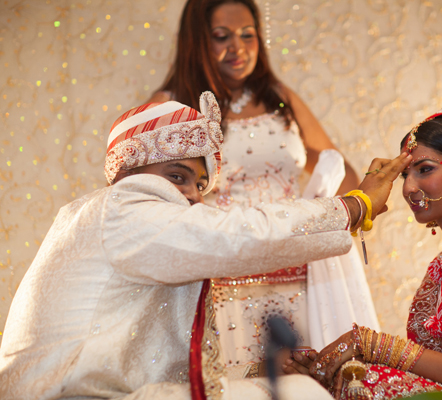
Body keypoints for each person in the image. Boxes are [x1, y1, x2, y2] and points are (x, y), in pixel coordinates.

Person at [0, 92, 410, 400]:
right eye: (177, 176)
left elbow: (159, 360)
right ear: (130, 171)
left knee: (292, 388)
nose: (194, 196)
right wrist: (354, 207)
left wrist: (259, 370)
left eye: (199, 185)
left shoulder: (133, 229)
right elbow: (238, 234)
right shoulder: (124, 207)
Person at [149, 0, 379, 366]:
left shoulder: (279, 97)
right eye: (221, 36)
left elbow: (339, 171)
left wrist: (358, 196)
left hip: (302, 281)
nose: (237, 48)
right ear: (197, 41)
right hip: (224, 285)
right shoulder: (171, 107)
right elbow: (153, 203)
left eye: (247, 35)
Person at [284, 103, 442, 400]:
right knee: (350, 377)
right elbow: (432, 370)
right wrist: (328, 368)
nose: (408, 187)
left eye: (424, 170)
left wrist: (366, 343)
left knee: (364, 383)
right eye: (405, 175)